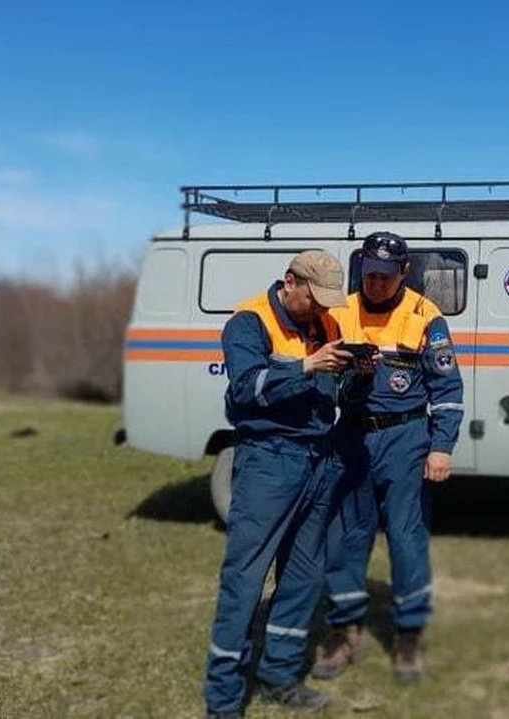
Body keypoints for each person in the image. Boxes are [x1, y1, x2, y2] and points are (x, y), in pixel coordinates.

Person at [203, 250, 355, 719]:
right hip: (269, 461)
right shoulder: (249, 322)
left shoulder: (326, 325)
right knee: (245, 581)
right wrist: (309, 367)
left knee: (304, 577)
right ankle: (224, 701)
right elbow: (248, 387)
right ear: (290, 282)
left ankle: (279, 676)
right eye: (315, 298)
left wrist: (354, 373)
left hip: (318, 457)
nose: (323, 310)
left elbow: (331, 392)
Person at [312, 231, 465, 684]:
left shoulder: (425, 315)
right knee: (346, 539)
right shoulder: (339, 311)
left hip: (405, 439)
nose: (376, 283)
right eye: (369, 274)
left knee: (406, 539)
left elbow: (448, 387)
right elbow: (324, 381)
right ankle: (344, 631)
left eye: (385, 276)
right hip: (351, 438)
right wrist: (353, 380)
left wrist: (441, 445)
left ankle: (409, 638)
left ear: (404, 272)